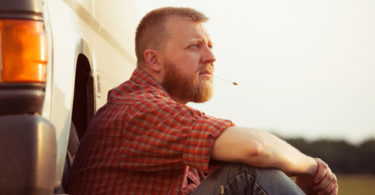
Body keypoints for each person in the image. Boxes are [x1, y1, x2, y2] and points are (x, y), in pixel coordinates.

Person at [68, 7, 338, 195]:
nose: (211, 57)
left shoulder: (167, 123)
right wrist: (313, 168)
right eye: (194, 46)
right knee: (246, 175)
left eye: (210, 46)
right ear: (153, 60)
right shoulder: (137, 109)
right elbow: (255, 148)